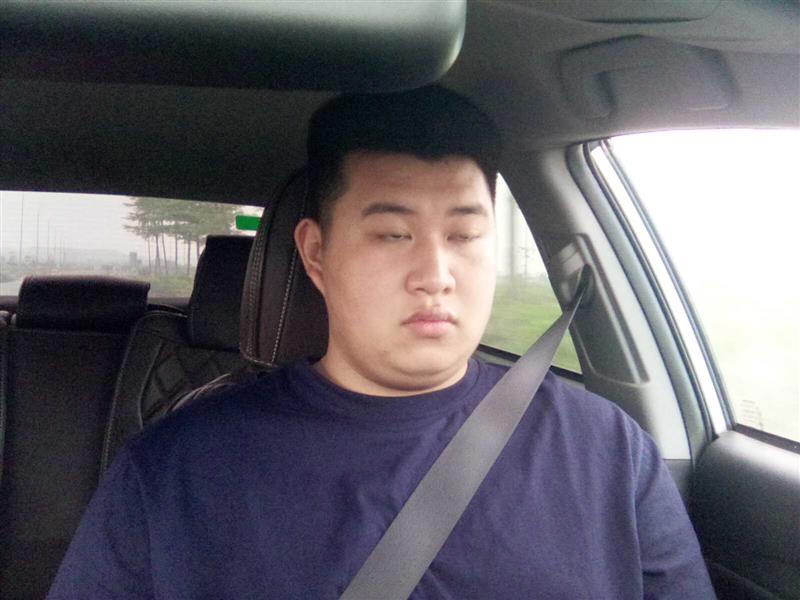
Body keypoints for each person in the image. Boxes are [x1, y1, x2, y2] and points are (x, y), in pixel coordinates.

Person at [48, 86, 716, 598]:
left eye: (464, 235)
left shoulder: (610, 452)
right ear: (316, 254)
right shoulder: (173, 474)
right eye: (393, 235)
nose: (435, 274)